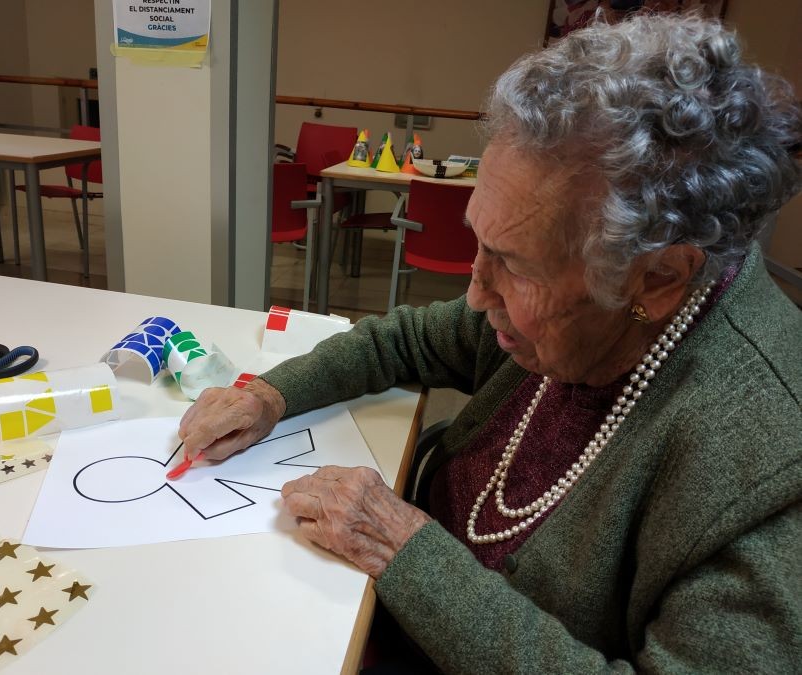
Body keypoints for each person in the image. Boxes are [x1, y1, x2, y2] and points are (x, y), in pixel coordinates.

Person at [179, 13, 801, 673]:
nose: (476, 291)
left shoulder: (765, 465)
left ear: (659, 278)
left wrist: (405, 551)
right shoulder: (571, 315)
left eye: (514, 263)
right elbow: (404, 340)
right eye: (478, 241)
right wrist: (269, 395)